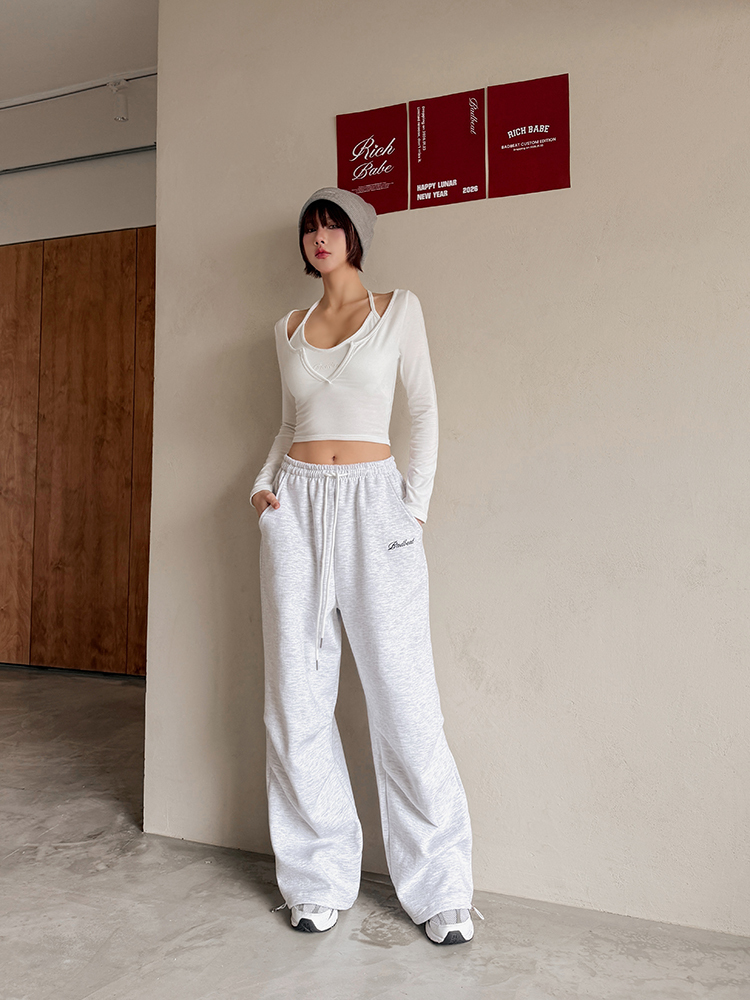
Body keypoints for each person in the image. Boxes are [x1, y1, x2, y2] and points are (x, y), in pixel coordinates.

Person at [250, 187, 480, 945]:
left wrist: (413, 510)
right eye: (309, 228)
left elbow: (425, 412)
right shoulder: (287, 329)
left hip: (376, 504)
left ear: (356, 237)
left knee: (405, 698)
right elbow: (289, 424)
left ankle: (441, 888)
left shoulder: (397, 310)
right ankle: (316, 880)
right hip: (297, 508)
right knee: (296, 699)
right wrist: (262, 489)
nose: (319, 238)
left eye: (332, 226)